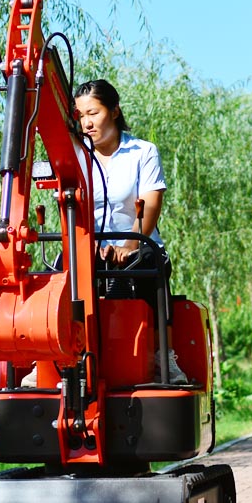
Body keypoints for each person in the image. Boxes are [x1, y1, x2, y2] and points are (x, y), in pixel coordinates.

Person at [73, 79, 187, 385]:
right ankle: (55, 359)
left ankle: (164, 358)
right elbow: (71, 207)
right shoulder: (75, 156)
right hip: (91, 245)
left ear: (114, 111)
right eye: (81, 115)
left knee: (152, 264)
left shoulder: (143, 152)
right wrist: (90, 246)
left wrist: (128, 246)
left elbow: (150, 205)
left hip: (137, 240)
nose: (87, 122)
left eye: (93, 113)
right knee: (60, 270)